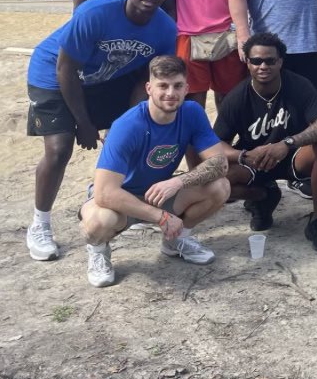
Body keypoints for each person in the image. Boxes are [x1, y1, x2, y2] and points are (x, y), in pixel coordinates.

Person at [24, 0, 177, 262]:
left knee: (133, 136)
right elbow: (65, 68)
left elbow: (147, 78)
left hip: (104, 79)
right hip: (53, 75)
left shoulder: (165, 28)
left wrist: (136, 122)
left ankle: (107, 196)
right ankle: (40, 223)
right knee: (59, 149)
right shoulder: (96, 12)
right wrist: (84, 123)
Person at [79, 56, 229, 287]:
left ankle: (176, 241)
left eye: (178, 86)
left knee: (220, 187)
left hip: (159, 193)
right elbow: (105, 193)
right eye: (163, 86)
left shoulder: (191, 113)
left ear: (187, 88)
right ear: (149, 88)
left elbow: (220, 164)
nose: (171, 93)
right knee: (100, 220)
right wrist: (161, 217)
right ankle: (98, 251)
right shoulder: (127, 126)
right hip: (122, 200)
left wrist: (178, 183)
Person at [213, 32, 317, 251]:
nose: (263, 66)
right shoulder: (236, 97)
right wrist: (244, 155)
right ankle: (262, 197)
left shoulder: (298, 85)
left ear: (280, 61)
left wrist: (287, 143)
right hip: (255, 161)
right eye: (256, 61)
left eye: (270, 60)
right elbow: (216, 146)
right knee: (216, 175)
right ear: (248, 62)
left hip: (293, 155)